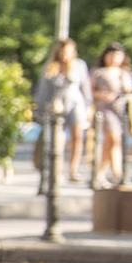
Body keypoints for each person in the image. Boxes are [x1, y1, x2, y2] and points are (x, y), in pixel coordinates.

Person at [33, 38, 92, 182]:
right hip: (56, 106)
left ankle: (73, 170)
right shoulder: (51, 66)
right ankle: (57, 171)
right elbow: (43, 90)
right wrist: (39, 109)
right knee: (57, 140)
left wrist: (89, 106)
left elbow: (85, 87)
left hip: (76, 104)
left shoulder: (79, 65)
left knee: (77, 137)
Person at [90, 42, 132, 187]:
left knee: (111, 144)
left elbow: (130, 91)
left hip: (121, 111)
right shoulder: (99, 72)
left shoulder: (125, 73)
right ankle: (118, 173)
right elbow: (89, 91)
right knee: (114, 139)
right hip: (105, 111)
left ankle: (99, 174)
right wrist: (103, 95)